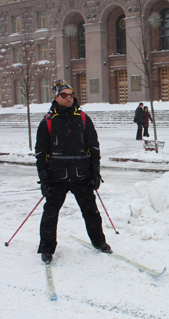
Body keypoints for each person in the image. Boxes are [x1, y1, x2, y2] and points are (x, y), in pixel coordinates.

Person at [35, 79, 112, 264]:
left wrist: (95, 174)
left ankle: (100, 242)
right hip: (57, 178)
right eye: (64, 95)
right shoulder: (47, 122)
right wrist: (44, 181)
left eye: (71, 94)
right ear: (56, 96)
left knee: (91, 212)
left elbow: (93, 149)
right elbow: (40, 154)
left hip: (81, 176)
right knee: (50, 214)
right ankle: (46, 249)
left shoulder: (83, 119)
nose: (69, 98)